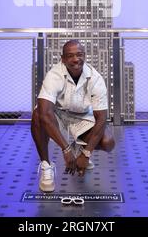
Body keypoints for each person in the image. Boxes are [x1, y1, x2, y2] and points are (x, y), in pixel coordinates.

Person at [31, 39, 115, 192]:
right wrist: (66, 150)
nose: (76, 59)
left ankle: (81, 149)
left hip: (81, 116)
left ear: (85, 56)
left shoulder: (96, 79)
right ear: (63, 59)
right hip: (58, 114)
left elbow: (102, 118)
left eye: (79, 54)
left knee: (108, 142)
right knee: (37, 115)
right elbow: (45, 113)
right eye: (70, 56)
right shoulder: (54, 75)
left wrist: (86, 154)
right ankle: (46, 166)